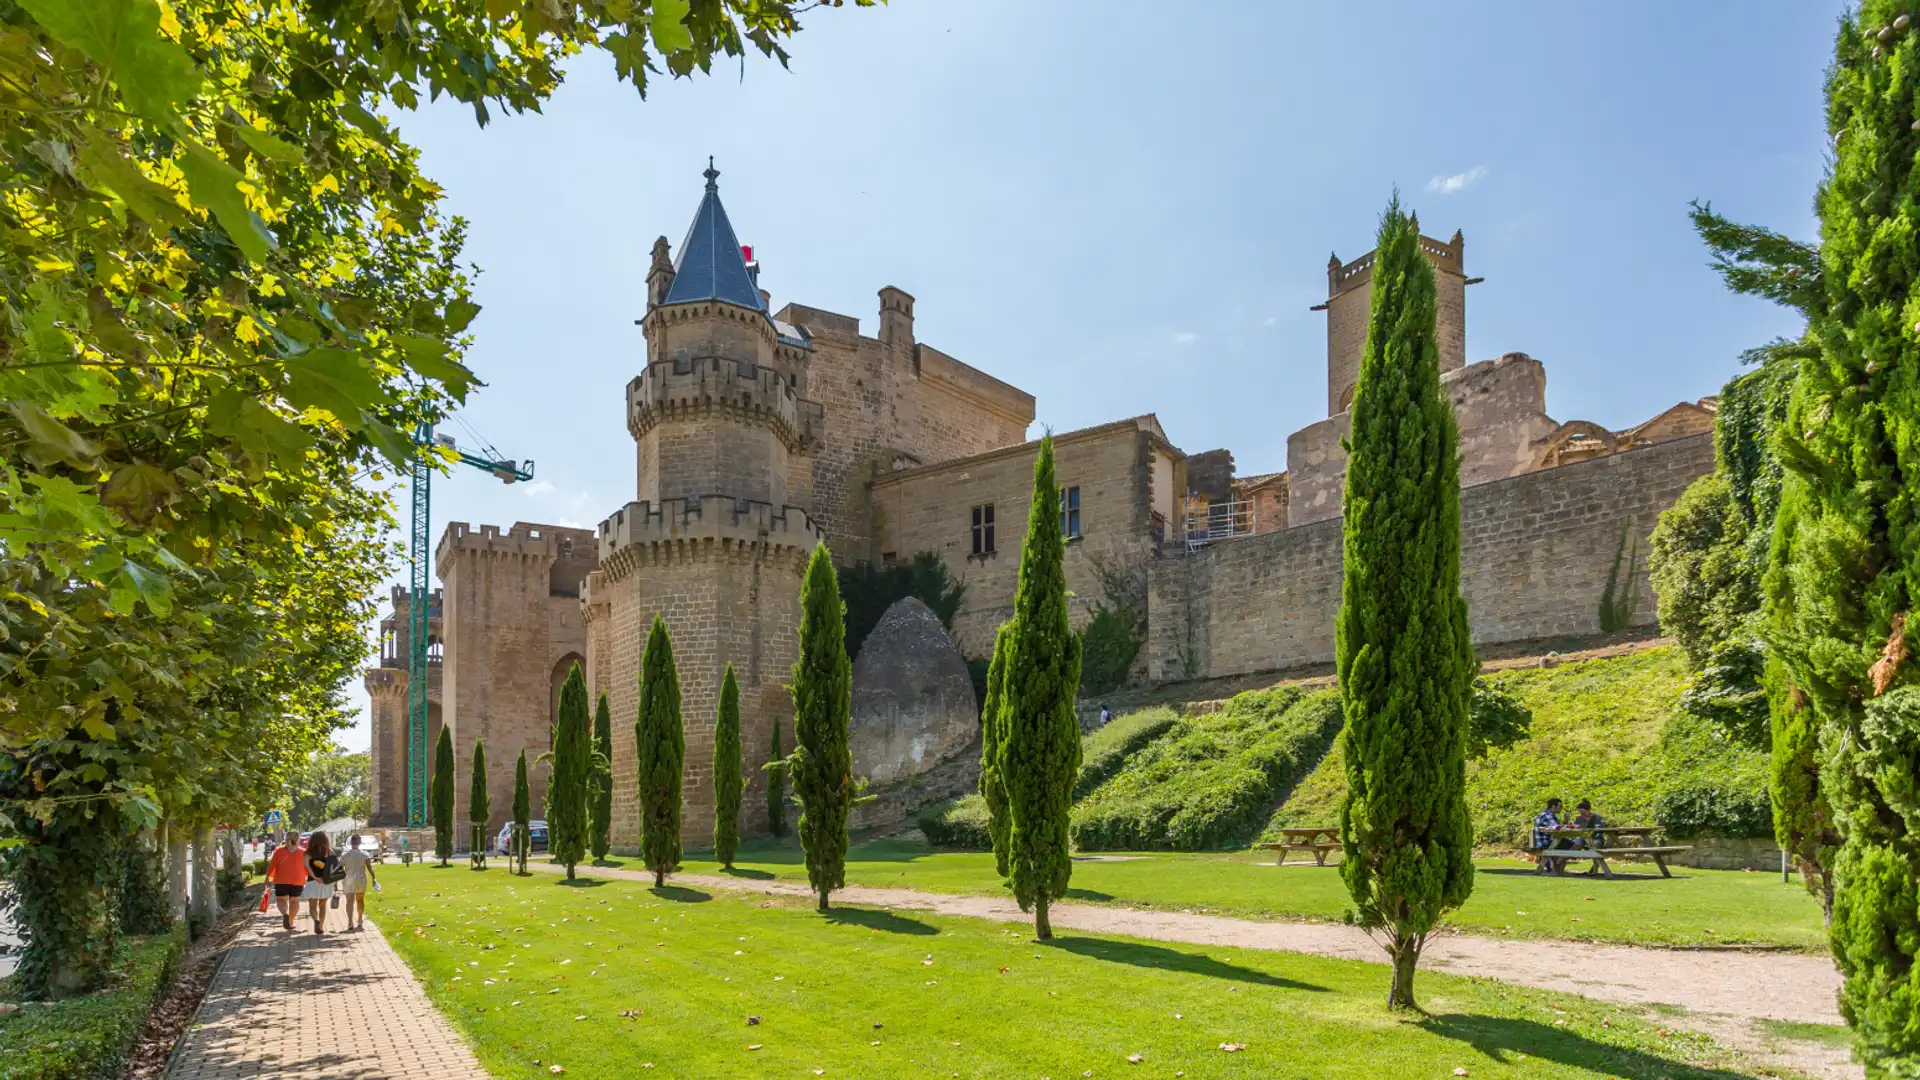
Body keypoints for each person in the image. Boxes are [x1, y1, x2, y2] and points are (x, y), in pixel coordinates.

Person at [266, 832, 308, 931]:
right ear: (298, 840)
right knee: (294, 901)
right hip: (298, 879)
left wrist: (268, 877)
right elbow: (307, 866)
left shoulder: (279, 851)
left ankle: (285, 914)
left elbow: (272, 865)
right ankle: (290, 921)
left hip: (281, 879)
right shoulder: (303, 852)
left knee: (281, 899)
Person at [339, 834, 378, 932]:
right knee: (360, 900)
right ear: (359, 843)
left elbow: (339, 868)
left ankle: (350, 922)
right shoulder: (364, 855)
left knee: (349, 901)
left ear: (351, 843)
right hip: (360, 878)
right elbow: (370, 868)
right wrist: (374, 878)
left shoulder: (345, 855)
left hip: (349, 878)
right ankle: (360, 920)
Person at [302, 831, 339, 934]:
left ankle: (316, 921)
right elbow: (334, 868)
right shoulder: (329, 852)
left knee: (312, 906)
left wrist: (314, 877)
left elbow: (307, 866)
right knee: (323, 905)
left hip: (312, 881)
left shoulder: (308, 853)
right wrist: (335, 883)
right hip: (326, 882)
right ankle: (321, 926)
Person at [1532, 797, 1568, 875]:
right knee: (1574, 845)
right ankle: (1557, 869)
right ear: (1553, 806)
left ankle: (1558, 870)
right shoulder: (1546, 815)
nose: (1561, 809)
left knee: (1569, 844)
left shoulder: (1550, 815)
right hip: (1546, 842)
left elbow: (1559, 829)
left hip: (1550, 841)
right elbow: (1557, 828)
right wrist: (1566, 822)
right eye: (1560, 806)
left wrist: (1565, 821)